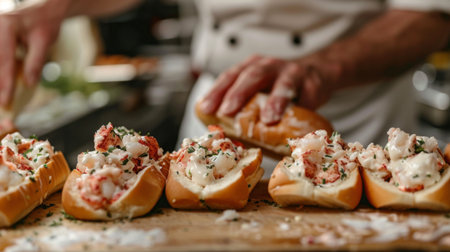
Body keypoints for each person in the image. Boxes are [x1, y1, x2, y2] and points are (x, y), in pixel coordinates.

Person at [1, 0, 450, 175]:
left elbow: (431, 14)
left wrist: (322, 67)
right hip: (215, 109)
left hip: (356, 111)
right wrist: (59, 6)